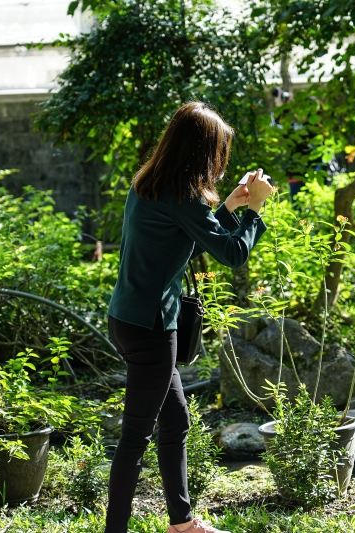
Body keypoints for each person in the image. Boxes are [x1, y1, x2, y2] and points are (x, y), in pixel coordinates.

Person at [105, 101, 273, 533]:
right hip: (152, 328)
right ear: (202, 152)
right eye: (218, 150)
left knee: (175, 420)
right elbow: (233, 254)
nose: (220, 161)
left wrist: (229, 209)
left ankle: (182, 523)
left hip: (128, 318)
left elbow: (182, 242)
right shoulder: (185, 195)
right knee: (135, 438)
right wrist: (255, 209)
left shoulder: (150, 183)